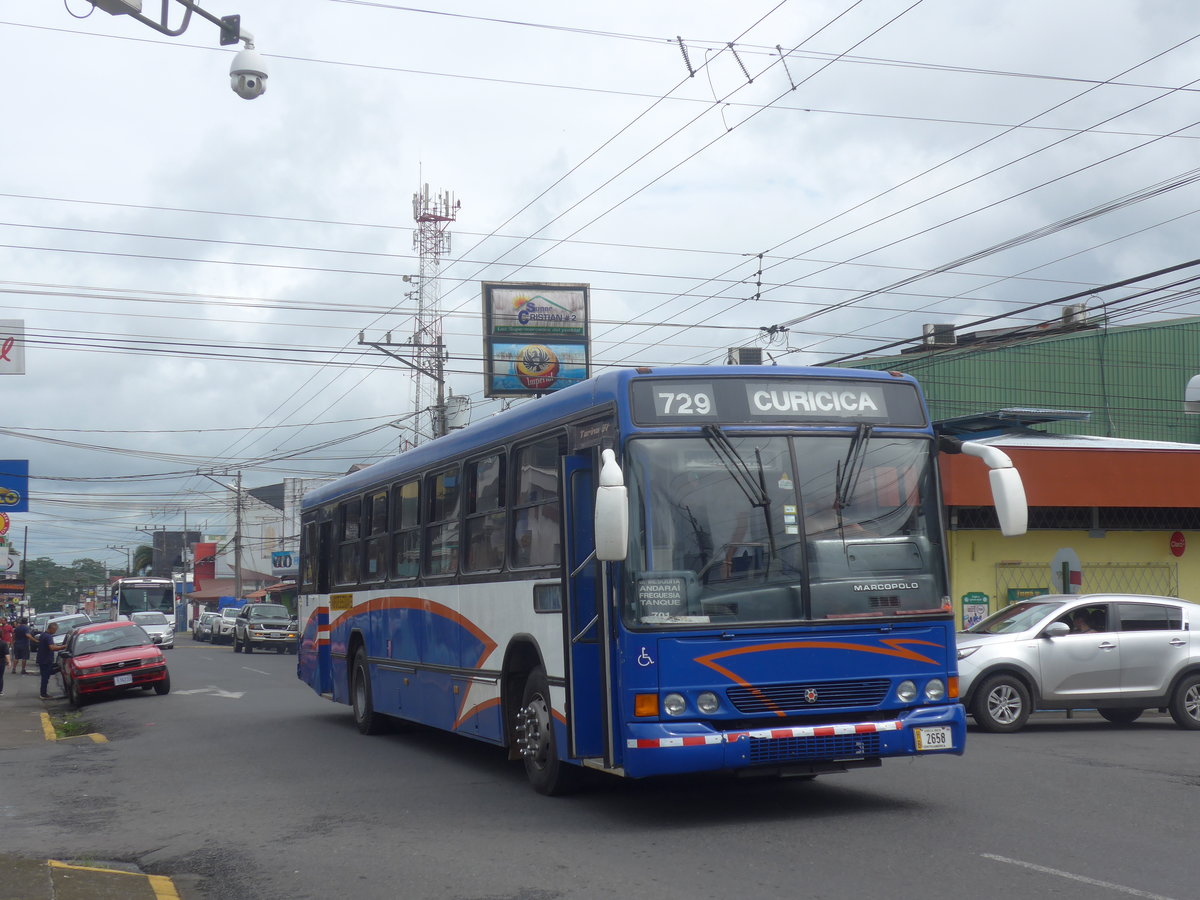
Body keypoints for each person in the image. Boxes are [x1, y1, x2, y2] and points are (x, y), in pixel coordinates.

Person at [31, 621, 61, 700]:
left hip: (42, 659)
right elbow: (52, 648)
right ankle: (43, 694)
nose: (55, 632)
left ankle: (43, 692)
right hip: (46, 659)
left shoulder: (43, 635)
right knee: (45, 677)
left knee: (47, 674)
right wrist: (63, 647)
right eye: (55, 630)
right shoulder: (48, 636)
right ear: (51, 629)